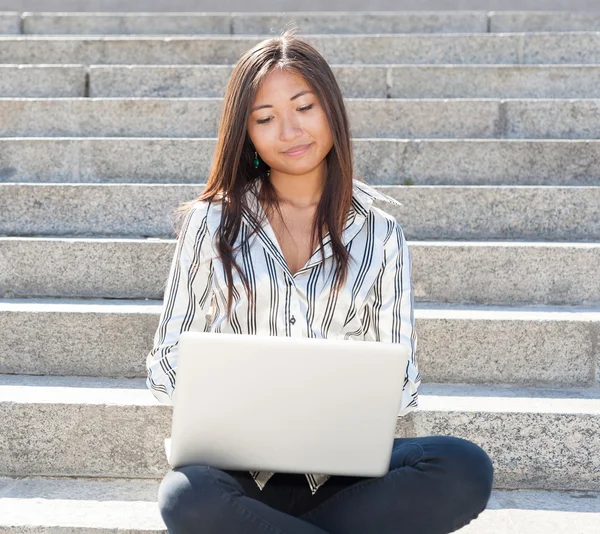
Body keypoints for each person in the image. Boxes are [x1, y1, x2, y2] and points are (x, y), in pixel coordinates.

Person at [146, 28, 494, 534]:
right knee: (185, 497)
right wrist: (222, 384)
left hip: (342, 472)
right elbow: (164, 369)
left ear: (331, 108)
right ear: (246, 135)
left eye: (304, 107)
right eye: (265, 119)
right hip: (239, 471)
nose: (289, 131)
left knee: (462, 468)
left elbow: (403, 383)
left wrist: (339, 389)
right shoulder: (209, 224)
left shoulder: (380, 234)